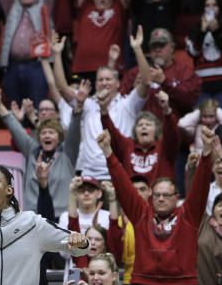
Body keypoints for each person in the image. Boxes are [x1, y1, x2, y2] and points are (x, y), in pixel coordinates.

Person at [99, 123, 215, 285]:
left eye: (166, 195)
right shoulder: (142, 215)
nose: (160, 199)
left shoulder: (188, 215)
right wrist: (109, 153)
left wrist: (207, 153)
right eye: (157, 195)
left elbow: (201, 186)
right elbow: (123, 186)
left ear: (176, 198)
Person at [52, 28, 151, 182]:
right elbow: (61, 88)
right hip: (90, 177)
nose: (104, 83)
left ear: (118, 83)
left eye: (108, 79)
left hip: (121, 174)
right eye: (100, 80)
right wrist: (57, 55)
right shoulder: (87, 105)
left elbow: (146, 81)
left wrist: (137, 49)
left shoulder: (128, 104)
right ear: (95, 84)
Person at [0, 80, 85, 216]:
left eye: (51, 132)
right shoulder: (32, 150)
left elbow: (74, 128)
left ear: (59, 137)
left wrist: (79, 105)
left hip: (62, 217)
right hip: (34, 218)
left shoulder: (67, 152)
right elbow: (14, 127)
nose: (47, 135)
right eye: (43, 133)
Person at [100, 89, 179, 185]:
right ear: (135, 130)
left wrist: (166, 110)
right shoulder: (127, 146)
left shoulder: (165, 148)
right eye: (140, 125)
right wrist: (104, 110)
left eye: (148, 124)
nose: (144, 127)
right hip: (132, 198)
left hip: (160, 198)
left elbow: (172, 133)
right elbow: (113, 134)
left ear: (157, 130)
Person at [120, 27, 201, 120]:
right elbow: (120, 102)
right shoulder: (135, 73)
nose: (157, 50)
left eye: (161, 45)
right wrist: (134, 90)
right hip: (140, 126)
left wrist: (165, 82)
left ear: (172, 48)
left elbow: (190, 102)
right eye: (154, 46)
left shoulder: (185, 72)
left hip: (174, 128)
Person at [186, 0, 222, 107]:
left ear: (219, 8)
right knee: (201, 120)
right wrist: (202, 32)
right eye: (207, 5)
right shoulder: (195, 29)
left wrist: (216, 32)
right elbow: (192, 52)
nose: (211, 8)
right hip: (202, 85)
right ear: (203, 8)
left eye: (214, 5)